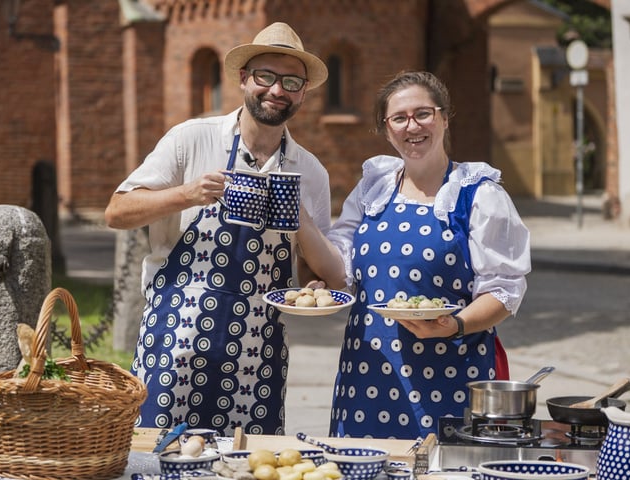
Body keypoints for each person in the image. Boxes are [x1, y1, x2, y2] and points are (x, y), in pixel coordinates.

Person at [104, 22, 331, 435]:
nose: (277, 90)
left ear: (303, 92)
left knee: (248, 465)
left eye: (291, 81)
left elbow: (315, 268)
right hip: (175, 335)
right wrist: (186, 194)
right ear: (244, 79)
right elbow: (117, 211)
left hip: (258, 348)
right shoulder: (191, 139)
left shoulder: (310, 171)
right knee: (158, 456)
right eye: (266, 76)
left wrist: (313, 284)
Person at [298, 71, 531, 439]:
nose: (412, 126)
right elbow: (340, 272)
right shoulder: (373, 189)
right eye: (399, 118)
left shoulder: (477, 195)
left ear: (443, 117)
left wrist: (453, 325)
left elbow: (503, 291)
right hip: (368, 371)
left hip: (451, 371)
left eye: (423, 113)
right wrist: (298, 218)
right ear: (386, 129)